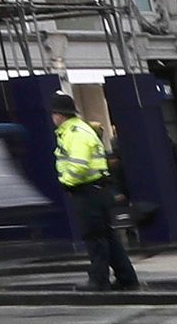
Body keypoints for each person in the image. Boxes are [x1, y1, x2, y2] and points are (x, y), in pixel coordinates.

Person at [52, 95, 139, 292]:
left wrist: (66, 181)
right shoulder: (80, 129)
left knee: (94, 238)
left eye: (54, 113)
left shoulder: (74, 133)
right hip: (98, 190)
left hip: (87, 191)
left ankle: (99, 280)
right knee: (107, 236)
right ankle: (126, 277)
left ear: (59, 115)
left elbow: (79, 166)